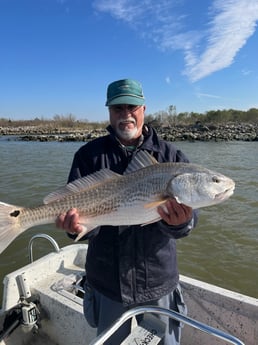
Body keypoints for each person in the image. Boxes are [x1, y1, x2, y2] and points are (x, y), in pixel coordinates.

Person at [56, 79, 198, 345]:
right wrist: (75, 228)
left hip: (158, 280)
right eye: (117, 108)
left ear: (143, 108)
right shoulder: (89, 156)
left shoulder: (171, 156)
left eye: (131, 107)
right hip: (107, 281)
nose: (125, 114)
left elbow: (190, 221)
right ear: (109, 111)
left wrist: (181, 222)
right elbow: (82, 216)